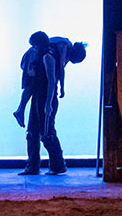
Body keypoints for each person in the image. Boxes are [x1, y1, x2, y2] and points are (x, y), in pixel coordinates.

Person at [17, 31, 67, 175]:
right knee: (32, 132)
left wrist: (48, 104)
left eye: (34, 45)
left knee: (47, 133)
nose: (33, 49)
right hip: (37, 98)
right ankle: (32, 166)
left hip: (45, 98)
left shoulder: (48, 57)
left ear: (39, 45)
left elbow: (52, 81)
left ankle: (58, 165)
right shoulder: (38, 59)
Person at [13, 35, 86, 127]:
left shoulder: (64, 52)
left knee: (33, 85)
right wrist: (62, 88)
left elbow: (60, 70)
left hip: (37, 56)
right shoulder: (65, 45)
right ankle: (20, 109)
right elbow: (61, 67)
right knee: (31, 84)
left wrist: (58, 85)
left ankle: (20, 110)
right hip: (34, 55)